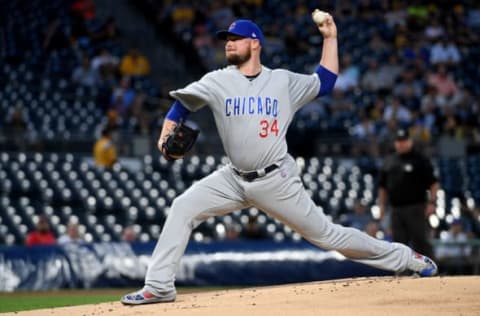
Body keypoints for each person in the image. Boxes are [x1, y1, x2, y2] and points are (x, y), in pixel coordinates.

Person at [122, 16, 437, 306]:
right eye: (227, 38)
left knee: (329, 236)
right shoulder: (217, 80)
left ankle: (405, 258)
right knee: (183, 206)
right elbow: (179, 108)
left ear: (255, 42)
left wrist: (330, 37)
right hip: (233, 178)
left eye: (237, 37)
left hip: (276, 179)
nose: (229, 43)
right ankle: (160, 285)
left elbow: (324, 81)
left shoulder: (282, 81)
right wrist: (164, 140)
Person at [378, 128, 440, 260]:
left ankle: (430, 273)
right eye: (399, 141)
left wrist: (432, 202)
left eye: (404, 140)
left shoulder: (420, 159)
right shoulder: (389, 161)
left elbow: (433, 183)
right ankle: (401, 275)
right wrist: (382, 206)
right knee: (398, 244)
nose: (401, 144)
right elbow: (382, 187)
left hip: (416, 207)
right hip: (396, 209)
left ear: (410, 141)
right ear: (395, 143)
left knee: (420, 241)